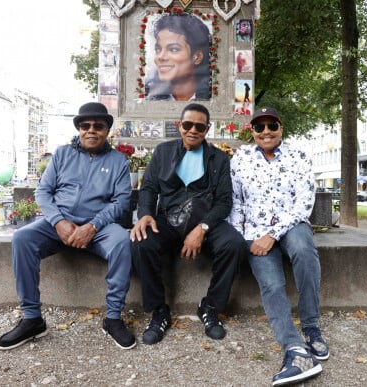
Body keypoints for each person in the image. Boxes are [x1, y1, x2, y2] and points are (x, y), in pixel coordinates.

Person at [0, 102, 137, 351]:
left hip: (100, 228)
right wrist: (58, 221)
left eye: (98, 126)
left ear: (107, 131)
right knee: (22, 238)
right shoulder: (62, 154)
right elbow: (43, 191)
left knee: (122, 242)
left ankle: (113, 318)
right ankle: (32, 319)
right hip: (58, 223)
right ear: (79, 129)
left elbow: (121, 202)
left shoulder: (118, 161)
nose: (91, 130)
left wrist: (92, 226)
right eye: (85, 125)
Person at [130, 103, 247, 345]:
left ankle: (210, 307)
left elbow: (225, 202)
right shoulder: (163, 152)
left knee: (234, 244)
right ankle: (159, 311)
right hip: (168, 220)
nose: (193, 130)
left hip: (206, 221)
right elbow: (149, 188)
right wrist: (145, 214)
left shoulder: (219, 159)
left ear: (207, 129)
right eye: (187, 124)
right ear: (179, 126)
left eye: (199, 126)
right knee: (141, 242)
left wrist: (202, 228)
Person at [229, 107, 328, 386]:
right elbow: (236, 202)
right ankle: (295, 349)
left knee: (304, 252)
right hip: (254, 231)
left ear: (281, 128)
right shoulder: (241, 158)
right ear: (252, 131)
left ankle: (311, 327)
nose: (266, 131)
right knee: (271, 285)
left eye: (271, 125)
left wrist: (272, 235)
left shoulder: (299, 156)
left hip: (291, 224)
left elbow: (304, 203)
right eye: (259, 127)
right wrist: (239, 237)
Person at [145, 13, 211, 101]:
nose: (160, 57)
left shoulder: (213, 98)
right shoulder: (148, 97)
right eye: (158, 49)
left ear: (197, 57)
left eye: (174, 49)